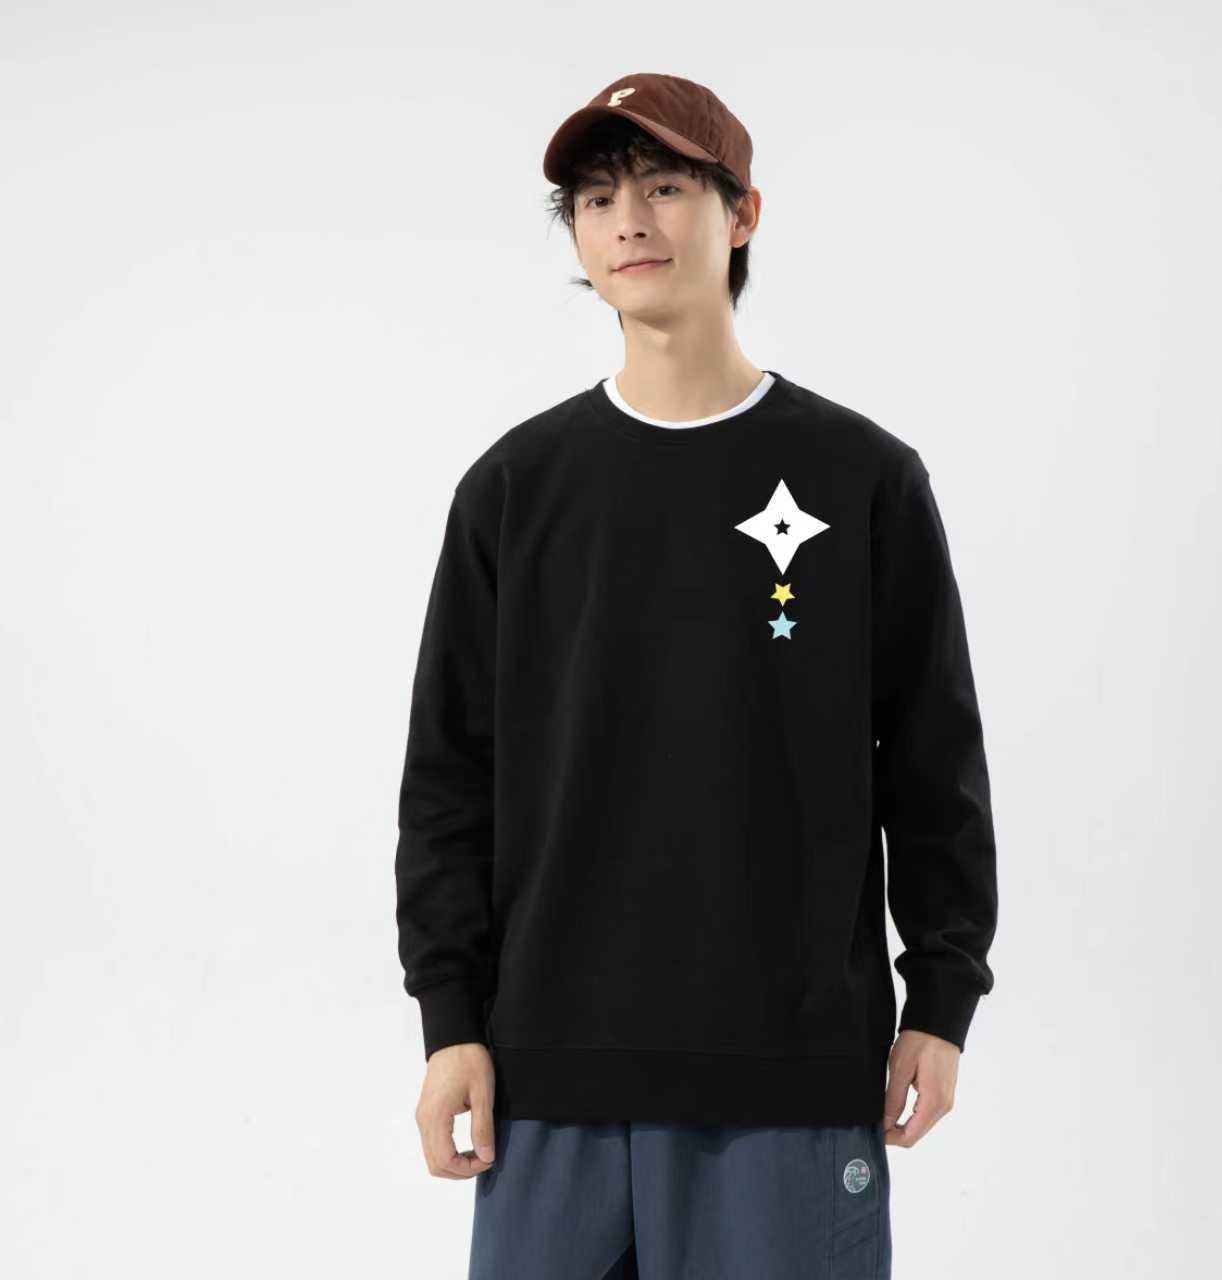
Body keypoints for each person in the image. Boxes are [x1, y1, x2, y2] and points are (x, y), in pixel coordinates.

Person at [394, 72, 999, 1280]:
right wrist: (448, 1020)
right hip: (549, 1074)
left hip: (784, 1073)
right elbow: (451, 780)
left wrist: (940, 994)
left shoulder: (861, 479)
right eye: (596, 197)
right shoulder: (513, 490)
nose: (628, 220)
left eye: (665, 187)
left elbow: (932, 762)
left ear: (743, 212)